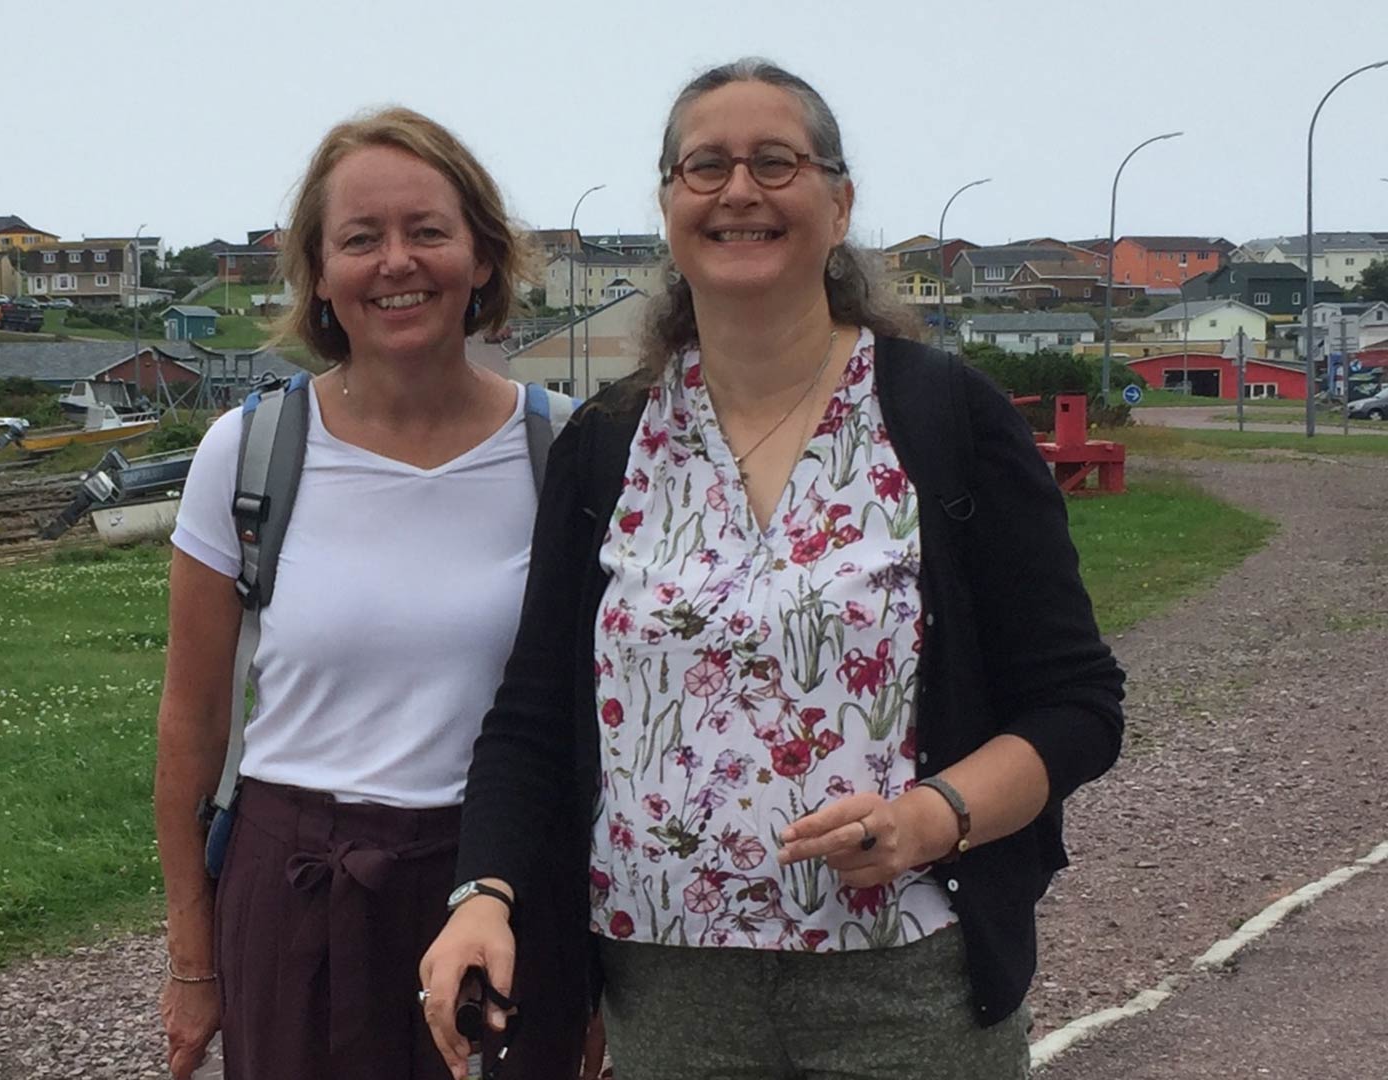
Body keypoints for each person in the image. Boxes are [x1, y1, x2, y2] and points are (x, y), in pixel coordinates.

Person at [421, 58, 1126, 1080]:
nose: (739, 191)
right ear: (668, 206)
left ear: (837, 204)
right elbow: (532, 718)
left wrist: (933, 816)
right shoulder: (606, 446)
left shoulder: (946, 420)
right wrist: (481, 894)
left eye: (775, 163)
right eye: (703, 167)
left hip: (908, 984)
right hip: (665, 994)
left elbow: (1076, 703)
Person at [154, 107, 587, 1079]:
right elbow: (191, 720)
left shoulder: (562, 451)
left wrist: (596, 969)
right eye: (360, 239)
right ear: (319, 273)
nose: (397, 262)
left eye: (428, 231)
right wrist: (193, 963)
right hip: (299, 887)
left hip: (507, 884)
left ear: (482, 258)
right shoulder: (249, 455)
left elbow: (597, 719)